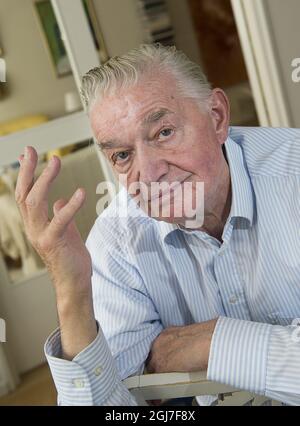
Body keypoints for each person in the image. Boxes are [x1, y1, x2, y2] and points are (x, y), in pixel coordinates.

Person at [15, 44, 300, 406]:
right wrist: (72, 291)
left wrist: (212, 342)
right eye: (122, 155)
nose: (149, 174)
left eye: (164, 132)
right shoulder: (117, 239)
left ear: (216, 117)